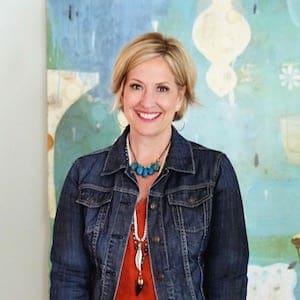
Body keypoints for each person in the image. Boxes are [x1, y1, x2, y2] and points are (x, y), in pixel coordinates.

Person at [50, 32, 249, 300]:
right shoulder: (84, 174)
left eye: (162, 88)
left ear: (180, 97)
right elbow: (68, 279)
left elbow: (228, 280)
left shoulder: (213, 172)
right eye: (136, 86)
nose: (147, 101)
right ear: (121, 92)